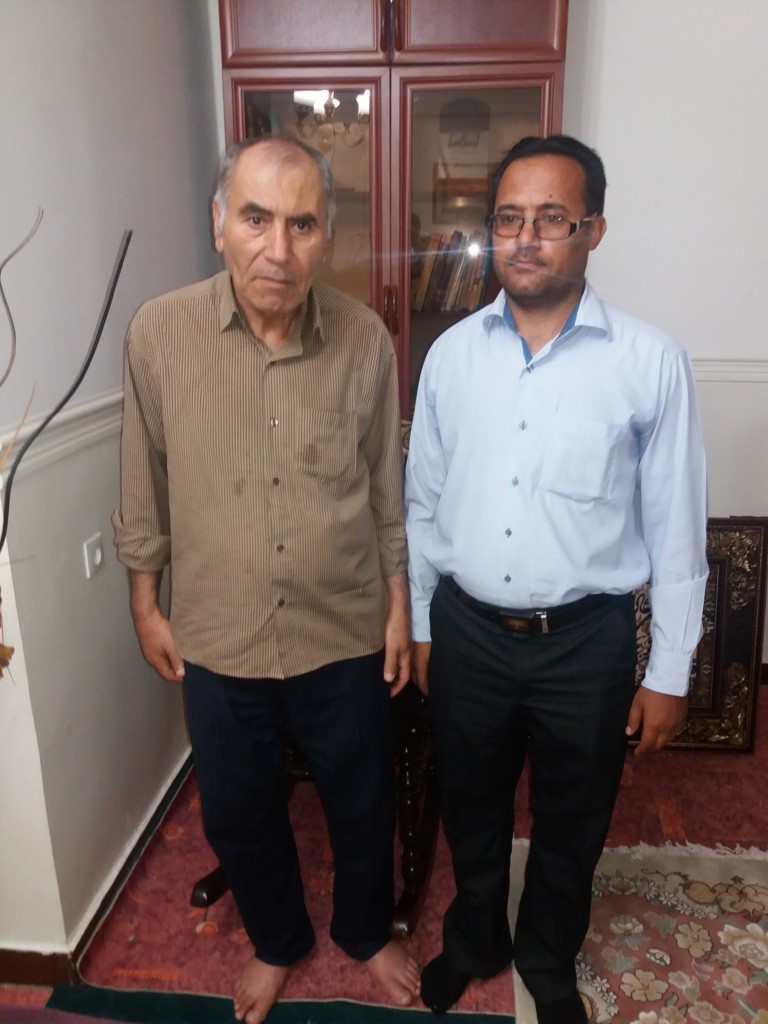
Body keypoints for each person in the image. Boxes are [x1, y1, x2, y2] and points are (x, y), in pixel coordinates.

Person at [113, 135, 420, 1024]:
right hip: (219, 631)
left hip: (344, 626)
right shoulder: (158, 333)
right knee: (239, 811)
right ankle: (277, 939)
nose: (277, 249)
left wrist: (398, 605)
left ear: (327, 238)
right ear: (219, 223)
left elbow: (385, 489)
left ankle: (364, 929)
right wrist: (145, 601)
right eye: (255, 219)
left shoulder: (365, 340)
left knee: (363, 802)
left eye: (301, 224)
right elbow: (142, 480)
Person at [404, 134, 708, 1023]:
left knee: (574, 819)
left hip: (586, 642)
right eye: (508, 219)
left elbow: (677, 528)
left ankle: (545, 957)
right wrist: (421, 622)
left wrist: (670, 671)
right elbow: (421, 503)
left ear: (593, 230)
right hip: (466, 631)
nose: (526, 238)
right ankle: (474, 941)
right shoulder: (451, 355)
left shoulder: (648, 360)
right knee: (471, 805)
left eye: (551, 219)